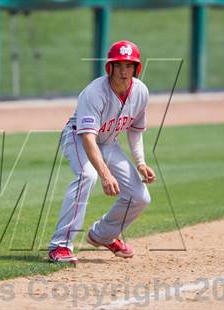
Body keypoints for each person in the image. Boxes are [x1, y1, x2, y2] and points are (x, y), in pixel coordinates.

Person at [48, 40, 156, 264]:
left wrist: (141, 162)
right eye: (119, 65)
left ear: (136, 68)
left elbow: (135, 131)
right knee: (88, 175)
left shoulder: (141, 92)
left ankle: (103, 235)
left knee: (140, 196)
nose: (124, 71)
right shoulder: (95, 92)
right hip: (78, 138)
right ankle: (60, 246)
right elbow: (88, 137)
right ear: (110, 68)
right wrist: (106, 175)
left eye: (129, 65)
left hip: (108, 143)